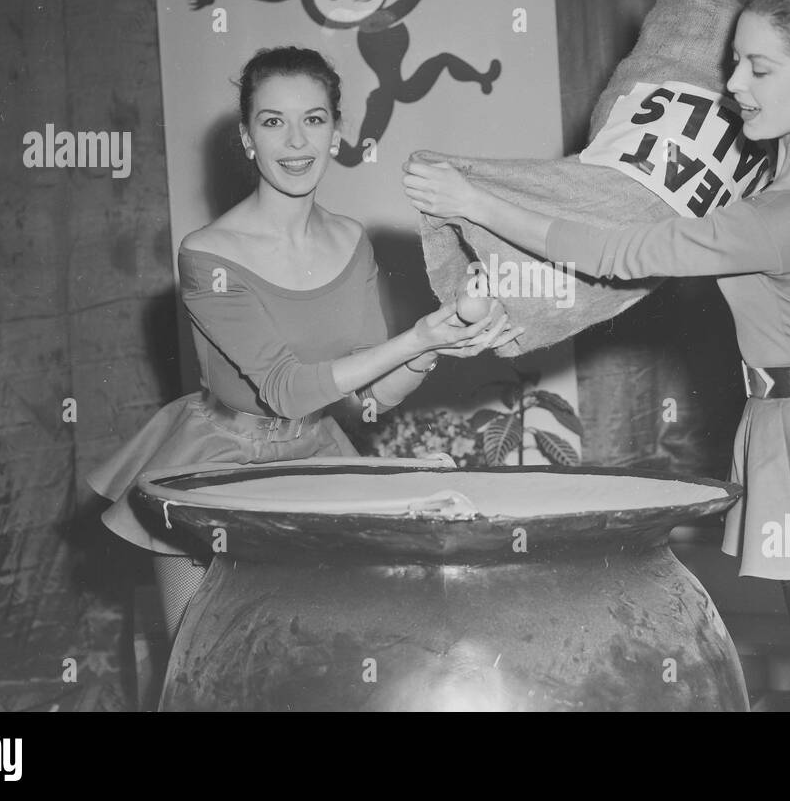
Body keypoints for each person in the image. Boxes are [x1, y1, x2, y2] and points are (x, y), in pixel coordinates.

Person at [404, 0, 790, 711]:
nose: (733, 84)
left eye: (757, 69)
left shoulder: (783, 217)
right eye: (735, 61)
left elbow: (621, 253)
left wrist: (475, 201)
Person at [89, 47, 519, 640]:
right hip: (213, 468)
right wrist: (414, 336)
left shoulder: (350, 239)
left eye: (313, 119)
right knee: (201, 670)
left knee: (316, 661)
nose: (295, 142)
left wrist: (430, 348)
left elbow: (370, 399)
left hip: (316, 454)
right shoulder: (207, 253)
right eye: (272, 122)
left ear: (337, 131)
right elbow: (288, 390)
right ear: (247, 138)